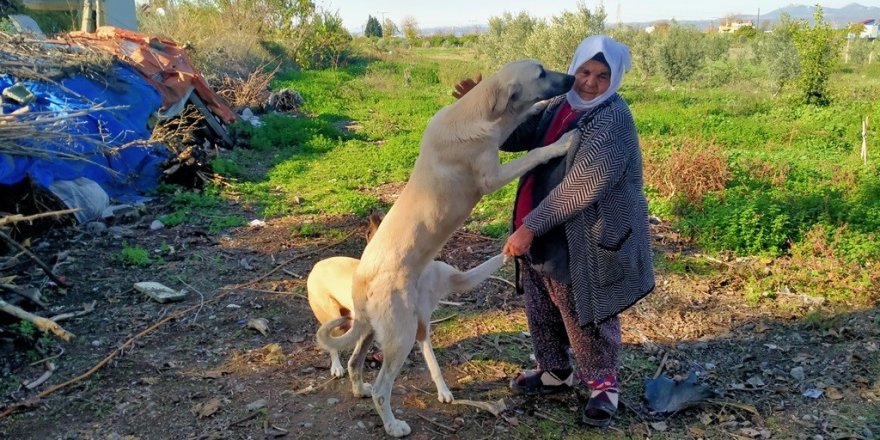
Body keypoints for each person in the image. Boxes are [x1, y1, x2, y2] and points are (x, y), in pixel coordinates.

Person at [455, 35, 654, 427]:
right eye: (584, 71)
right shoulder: (560, 104)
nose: (590, 82)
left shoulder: (612, 117)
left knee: (584, 311)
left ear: (614, 79)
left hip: (586, 234)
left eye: (601, 75)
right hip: (543, 226)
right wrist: (478, 107)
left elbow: (583, 186)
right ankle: (555, 372)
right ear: (574, 68)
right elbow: (514, 136)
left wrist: (530, 227)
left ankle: (603, 385)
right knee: (541, 304)